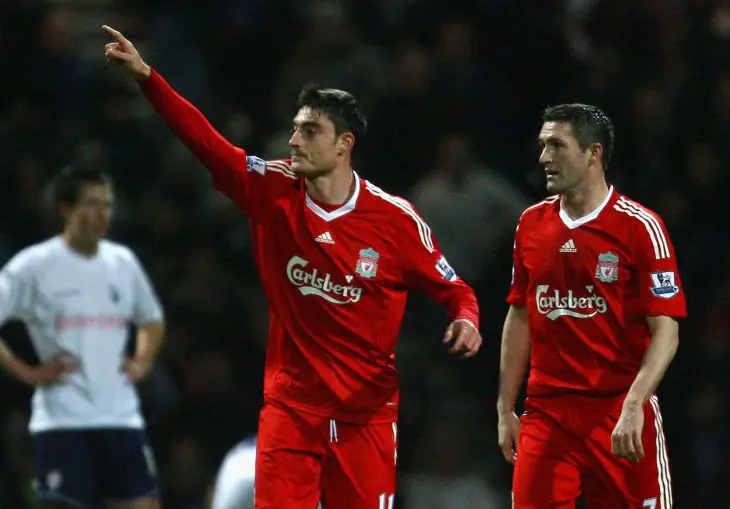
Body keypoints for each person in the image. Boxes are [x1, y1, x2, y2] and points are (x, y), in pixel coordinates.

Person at [102, 25, 482, 509]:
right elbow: (206, 143)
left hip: (365, 417)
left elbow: (456, 290)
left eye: (309, 131)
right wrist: (148, 78)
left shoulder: (394, 219)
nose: (294, 139)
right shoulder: (272, 191)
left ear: (344, 144)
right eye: (295, 127)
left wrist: (466, 319)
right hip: (291, 410)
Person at [496, 104, 686, 509]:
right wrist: (504, 405)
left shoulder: (639, 227)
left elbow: (666, 330)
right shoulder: (531, 224)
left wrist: (635, 403)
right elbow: (519, 314)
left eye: (556, 146)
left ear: (592, 153)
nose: (544, 158)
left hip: (618, 410)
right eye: (542, 146)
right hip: (548, 414)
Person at [0, 164, 165, 509]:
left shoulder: (123, 262)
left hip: (121, 419)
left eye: (107, 204)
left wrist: (142, 360)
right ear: (65, 209)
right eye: (91, 203)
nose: (102, 213)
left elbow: (151, 319)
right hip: (63, 422)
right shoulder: (33, 266)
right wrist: (26, 372)